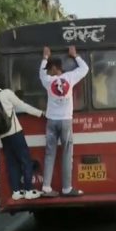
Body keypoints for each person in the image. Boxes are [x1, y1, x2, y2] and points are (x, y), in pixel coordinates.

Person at [39, 45, 90, 197]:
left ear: (55, 68)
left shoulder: (48, 81)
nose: (48, 71)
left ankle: (46, 187)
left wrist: (45, 57)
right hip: (66, 122)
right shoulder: (70, 78)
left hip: (51, 122)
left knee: (49, 153)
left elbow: (40, 73)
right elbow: (85, 68)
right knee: (67, 154)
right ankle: (67, 188)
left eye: (50, 68)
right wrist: (75, 55)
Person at [0, 74, 45, 201]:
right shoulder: (6, 93)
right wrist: (40, 113)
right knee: (26, 161)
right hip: (15, 133)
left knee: (12, 164)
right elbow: (23, 106)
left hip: (3, 136)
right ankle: (28, 190)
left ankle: (16, 192)